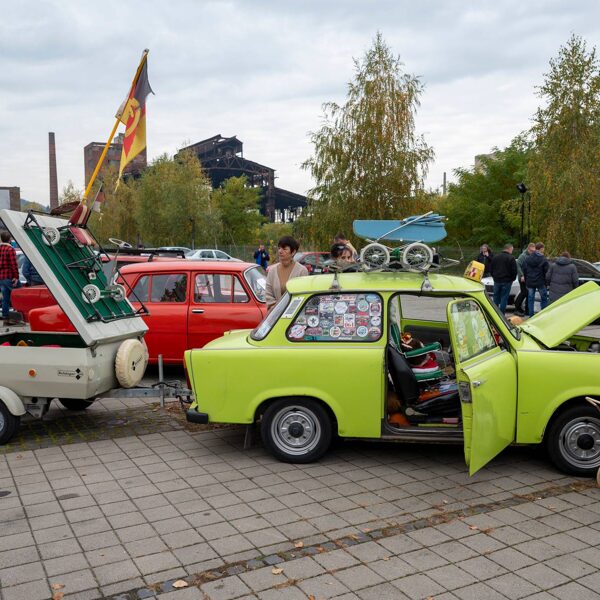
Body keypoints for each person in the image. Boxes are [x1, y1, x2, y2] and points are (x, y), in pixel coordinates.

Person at [265, 236, 309, 309]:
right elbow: (268, 295)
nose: (280, 251)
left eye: (284, 249)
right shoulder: (272, 270)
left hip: (295, 313)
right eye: (279, 248)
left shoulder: (302, 271)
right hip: (276, 313)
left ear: (293, 252)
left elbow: (303, 296)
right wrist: (277, 310)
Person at [0, 231, 24, 326]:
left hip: (1, 277)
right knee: (21, 294)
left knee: (5, 298)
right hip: (9, 276)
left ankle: (6, 318)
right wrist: (16, 277)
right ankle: (20, 316)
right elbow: (14, 265)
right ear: (9, 239)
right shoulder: (10, 249)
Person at [523, 242, 549, 317]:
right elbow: (546, 270)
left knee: (530, 299)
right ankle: (543, 314)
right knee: (544, 298)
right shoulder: (543, 258)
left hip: (530, 281)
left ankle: (531, 315)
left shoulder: (528, 258)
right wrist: (546, 281)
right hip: (540, 281)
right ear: (541, 249)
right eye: (543, 249)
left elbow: (525, 269)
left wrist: (526, 280)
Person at [490, 243, 518, 313]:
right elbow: (514, 271)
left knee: (495, 298)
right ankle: (501, 314)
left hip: (497, 280)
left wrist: (494, 277)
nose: (512, 251)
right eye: (512, 250)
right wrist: (512, 279)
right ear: (509, 249)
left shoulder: (495, 257)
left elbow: (491, 269)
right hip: (507, 281)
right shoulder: (511, 258)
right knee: (504, 298)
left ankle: (494, 313)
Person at [514, 242, 535, 316]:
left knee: (527, 293)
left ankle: (527, 310)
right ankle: (517, 308)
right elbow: (517, 265)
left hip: (528, 277)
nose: (532, 252)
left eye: (533, 251)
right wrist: (522, 275)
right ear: (528, 249)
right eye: (531, 251)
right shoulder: (523, 256)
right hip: (523, 277)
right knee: (524, 292)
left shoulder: (531, 255)